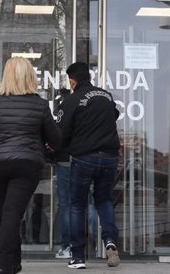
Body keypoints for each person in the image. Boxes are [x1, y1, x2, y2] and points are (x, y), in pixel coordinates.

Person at [0, 57, 62, 274]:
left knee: (11, 211)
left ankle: (13, 263)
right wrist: (43, 143)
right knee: (12, 212)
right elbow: (56, 141)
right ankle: (3, 264)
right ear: (30, 77)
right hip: (27, 164)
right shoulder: (39, 105)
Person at [56, 62, 121, 269]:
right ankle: (110, 241)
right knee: (104, 201)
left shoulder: (71, 100)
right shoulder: (106, 96)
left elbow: (60, 132)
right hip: (110, 156)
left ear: (72, 81)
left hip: (85, 158)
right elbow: (115, 115)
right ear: (90, 79)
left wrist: (54, 150)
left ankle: (77, 256)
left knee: (77, 205)